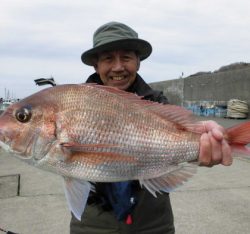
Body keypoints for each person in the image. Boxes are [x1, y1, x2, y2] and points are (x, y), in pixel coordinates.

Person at [70, 22, 232, 234]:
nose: (118, 67)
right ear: (96, 65)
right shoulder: (76, 105)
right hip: (92, 225)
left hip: (154, 224)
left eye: (126, 57)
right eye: (108, 58)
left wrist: (204, 140)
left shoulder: (157, 102)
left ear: (138, 62)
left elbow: (181, 135)